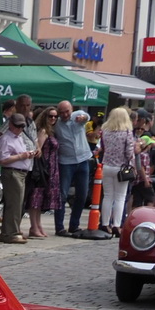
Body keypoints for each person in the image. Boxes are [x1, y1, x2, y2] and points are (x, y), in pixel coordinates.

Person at [97, 105, 138, 238]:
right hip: (122, 167)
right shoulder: (127, 132)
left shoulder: (105, 131)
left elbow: (102, 147)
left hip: (107, 166)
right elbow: (129, 152)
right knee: (120, 198)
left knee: (108, 196)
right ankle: (116, 225)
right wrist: (132, 164)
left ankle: (104, 223)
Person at [54, 102, 94, 235]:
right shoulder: (57, 124)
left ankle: (74, 225)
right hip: (66, 162)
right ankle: (59, 227)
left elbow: (86, 116)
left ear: (71, 110)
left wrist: (83, 118)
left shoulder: (77, 117)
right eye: (62, 112)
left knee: (82, 194)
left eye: (67, 111)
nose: (65, 115)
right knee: (62, 194)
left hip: (83, 159)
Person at [0, 113, 35, 243]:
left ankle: (12, 231)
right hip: (12, 173)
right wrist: (21, 156)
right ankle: (11, 233)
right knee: (14, 204)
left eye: (22, 126)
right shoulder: (5, 139)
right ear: (11, 125)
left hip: (21, 172)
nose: (20, 129)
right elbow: (3, 159)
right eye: (17, 126)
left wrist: (28, 155)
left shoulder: (19, 137)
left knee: (17, 203)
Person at [27, 106, 62, 239]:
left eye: (55, 116)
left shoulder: (50, 131)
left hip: (51, 168)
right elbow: (38, 150)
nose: (53, 118)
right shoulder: (42, 131)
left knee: (41, 199)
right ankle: (34, 226)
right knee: (36, 197)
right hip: (44, 168)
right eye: (50, 116)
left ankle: (38, 225)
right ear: (44, 116)